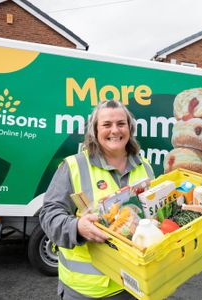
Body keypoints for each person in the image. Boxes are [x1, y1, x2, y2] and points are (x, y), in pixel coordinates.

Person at [40, 100, 154, 299]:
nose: (115, 130)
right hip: (85, 291)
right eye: (107, 125)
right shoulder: (74, 166)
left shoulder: (145, 167)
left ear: (130, 128)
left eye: (121, 124)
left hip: (133, 286)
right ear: (95, 130)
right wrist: (77, 227)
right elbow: (49, 215)